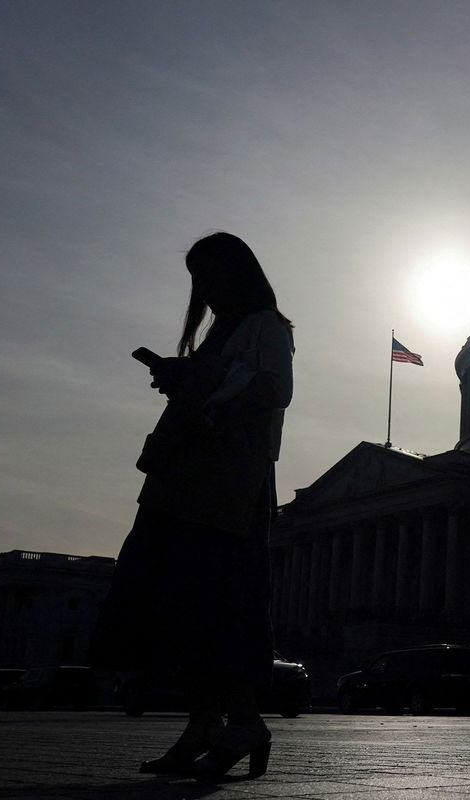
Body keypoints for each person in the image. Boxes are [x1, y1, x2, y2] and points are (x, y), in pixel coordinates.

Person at [92, 231, 294, 780]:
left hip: (225, 485)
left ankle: (241, 721)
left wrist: (200, 384)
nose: (203, 288)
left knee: (219, 604)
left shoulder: (267, 327)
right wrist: (181, 377)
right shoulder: (220, 333)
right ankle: (207, 721)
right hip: (186, 481)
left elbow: (274, 390)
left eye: (211, 274)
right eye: (196, 278)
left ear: (239, 272)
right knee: (185, 609)